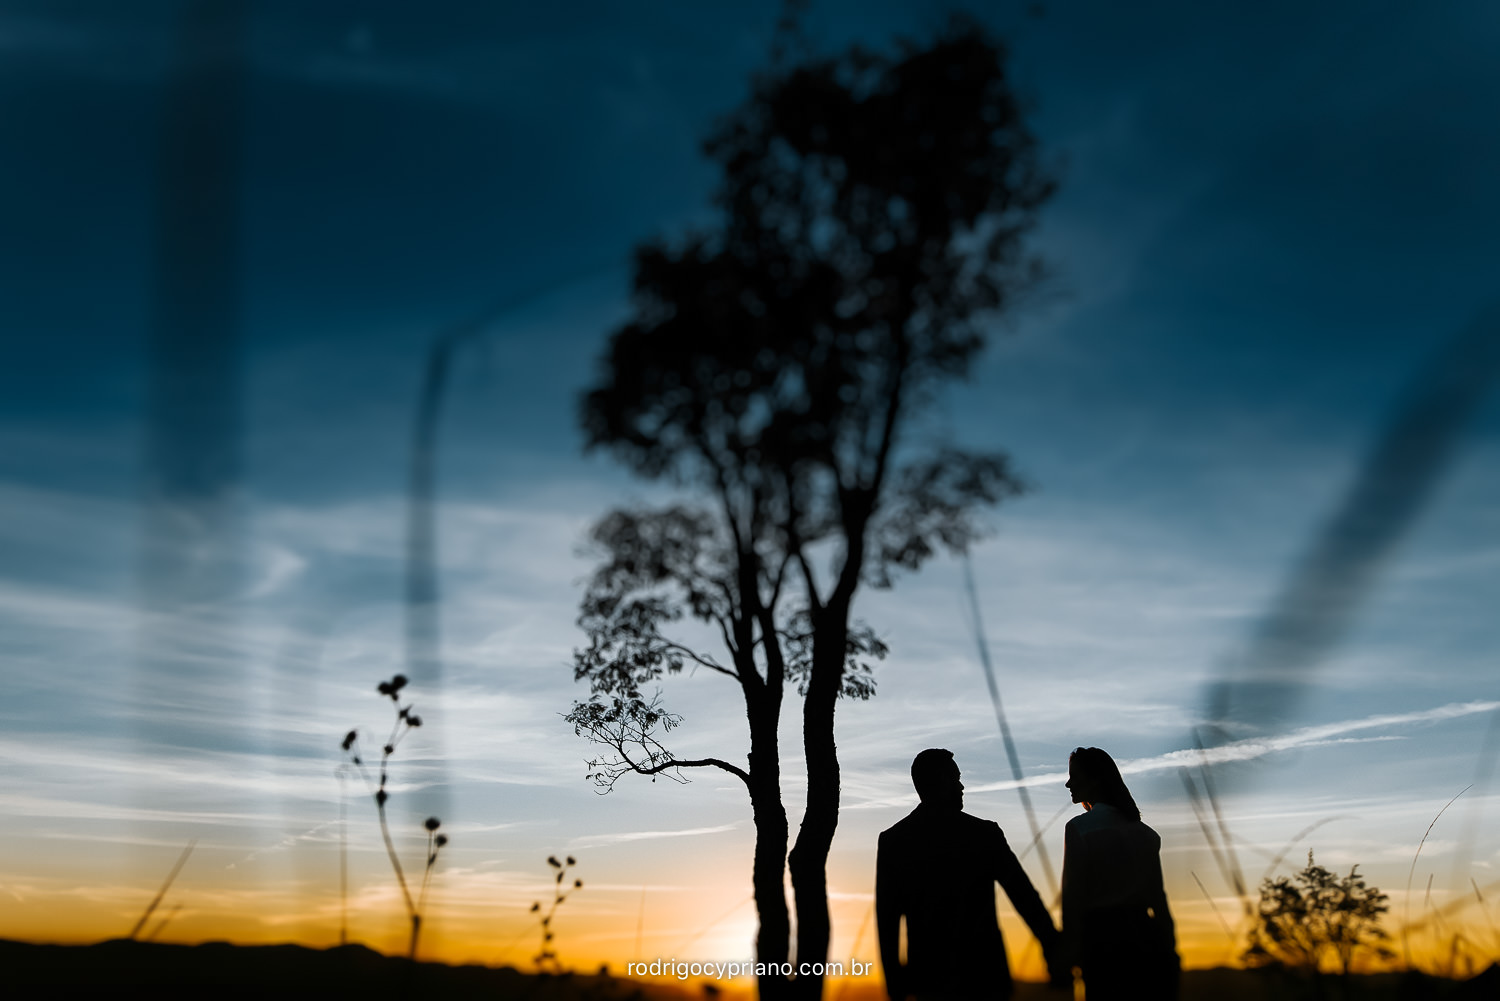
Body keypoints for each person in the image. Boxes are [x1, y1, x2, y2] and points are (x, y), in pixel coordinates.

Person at [876, 748, 1067, 1000]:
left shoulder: (894, 841)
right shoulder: (984, 834)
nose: (962, 787)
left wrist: (894, 984)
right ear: (942, 782)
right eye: (956, 779)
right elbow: (1023, 896)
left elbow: (887, 920)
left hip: (929, 978)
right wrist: (1053, 948)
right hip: (985, 975)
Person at [1061, 746, 1180, 1000]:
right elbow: (1158, 898)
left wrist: (1070, 951)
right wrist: (1170, 947)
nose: (1068, 784)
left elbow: (1072, 897)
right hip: (1146, 940)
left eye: (1074, 776)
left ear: (1095, 780)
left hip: (1101, 943)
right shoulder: (1146, 834)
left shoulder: (1079, 829)